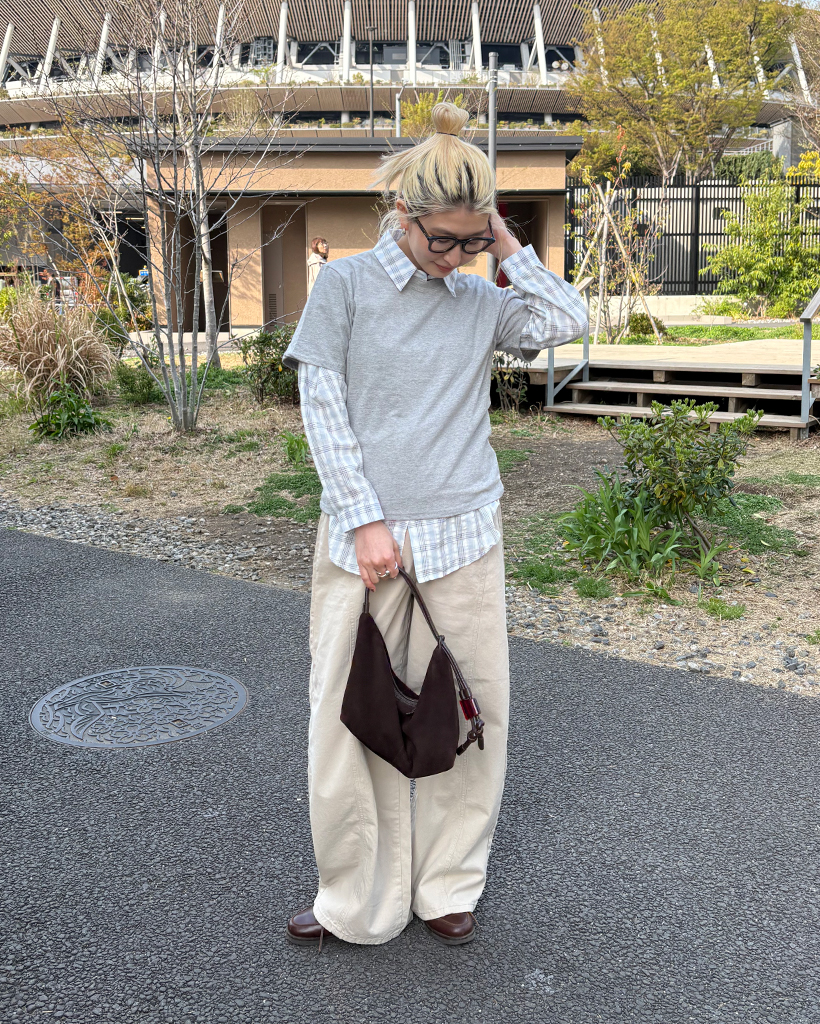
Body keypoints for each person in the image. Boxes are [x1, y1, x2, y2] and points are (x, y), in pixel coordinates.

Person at [282, 102, 588, 948]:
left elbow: (569, 322)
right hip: (366, 545)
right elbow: (323, 407)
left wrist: (507, 245)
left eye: (471, 241)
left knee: (471, 712)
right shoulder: (345, 287)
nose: (454, 257)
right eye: (441, 240)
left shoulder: (480, 296)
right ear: (401, 215)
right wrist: (364, 519)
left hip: (466, 535)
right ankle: (358, 899)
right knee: (349, 719)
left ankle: (449, 883)